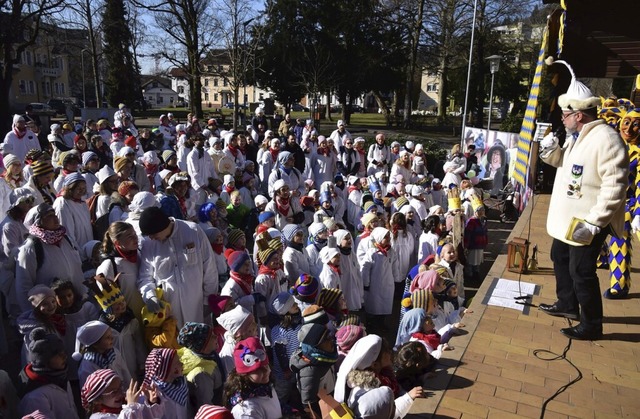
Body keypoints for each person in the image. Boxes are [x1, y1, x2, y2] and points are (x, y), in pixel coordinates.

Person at [538, 60, 628, 340]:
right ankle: (567, 303)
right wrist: (550, 148)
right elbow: (562, 164)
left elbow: (615, 186)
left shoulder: (607, 139)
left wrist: (594, 222)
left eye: (566, 113)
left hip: (586, 221)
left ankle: (591, 325)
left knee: (582, 271)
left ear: (579, 114)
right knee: (559, 257)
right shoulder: (577, 136)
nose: (562, 117)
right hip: (567, 220)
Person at [137, 206, 218, 325]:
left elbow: (209, 268)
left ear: (163, 226)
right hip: (168, 313)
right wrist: (150, 297)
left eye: (153, 234)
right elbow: (144, 277)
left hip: (196, 307)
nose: (151, 238)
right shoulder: (149, 245)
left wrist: (208, 301)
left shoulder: (192, 231)